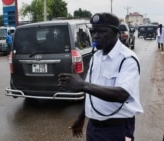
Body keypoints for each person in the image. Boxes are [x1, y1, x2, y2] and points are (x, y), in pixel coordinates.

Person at [58, 12, 143, 141]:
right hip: (93, 127)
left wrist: (82, 85)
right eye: (94, 32)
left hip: (117, 129)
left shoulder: (127, 59)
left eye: (101, 32)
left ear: (115, 33)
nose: (95, 36)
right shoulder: (96, 57)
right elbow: (91, 93)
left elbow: (122, 94)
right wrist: (81, 118)